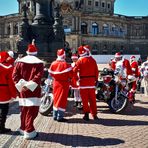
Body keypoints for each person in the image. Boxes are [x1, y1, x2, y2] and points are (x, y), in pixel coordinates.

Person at [12, 42, 44, 139]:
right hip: (33, 90)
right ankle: (29, 131)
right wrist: (29, 85)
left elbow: (14, 76)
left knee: (24, 110)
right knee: (32, 111)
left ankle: (23, 128)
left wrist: (22, 85)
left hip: (22, 90)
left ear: (27, 52)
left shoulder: (19, 62)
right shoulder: (39, 63)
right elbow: (38, 77)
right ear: (36, 53)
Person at [73, 45, 99, 121]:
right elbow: (96, 71)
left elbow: (74, 71)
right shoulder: (93, 60)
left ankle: (86, 115)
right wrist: (96, 80)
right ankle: (94, 115)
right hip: (91, 83)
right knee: (93, 100)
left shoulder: (79, 60)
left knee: (84, 100)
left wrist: (77, 79)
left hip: (83, 82)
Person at [48, 48, 73, 122]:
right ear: (64, 56)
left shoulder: (53, 63)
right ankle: (60, 117)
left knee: (56, 98)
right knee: (62, 100)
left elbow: (51, 73)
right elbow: (71, 75)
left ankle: (55, 116)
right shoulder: (66, 65)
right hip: (64, 84)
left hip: (56, 83)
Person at [0, 51, 16, 133]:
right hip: (4, 91)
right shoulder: (8, 67)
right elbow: (11, 83)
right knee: (4, 111)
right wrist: (13, 94)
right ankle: (1, 128)